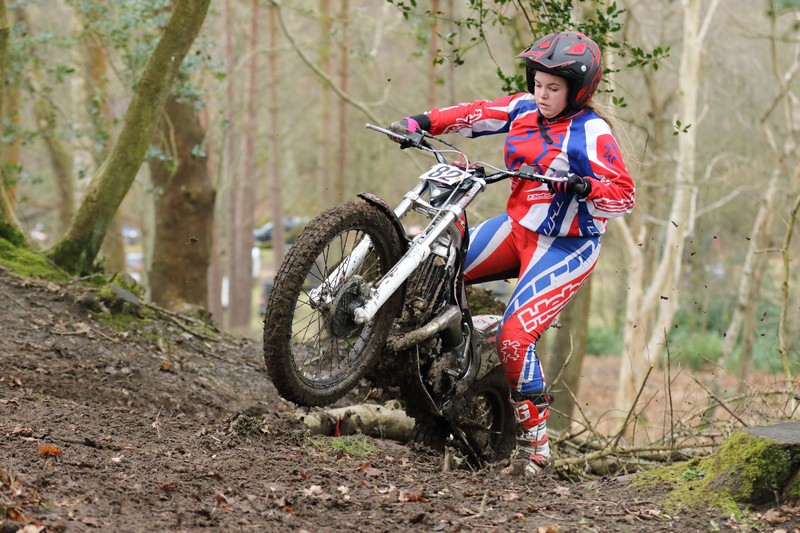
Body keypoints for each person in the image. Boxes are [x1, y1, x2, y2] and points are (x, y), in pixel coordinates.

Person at [387, 31, 635, 476]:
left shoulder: (592, 132)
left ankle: (536, 451)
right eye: (538, 84)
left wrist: (587, 186)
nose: (542, 94)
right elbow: (476, 114)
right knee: (435, 267)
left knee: (516, 338)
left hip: (566, 246)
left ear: (578, 91)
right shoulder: (524, 108)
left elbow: (624, 195)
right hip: (516, 229)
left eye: (553, 88)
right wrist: (420, 122)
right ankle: (453, 351)